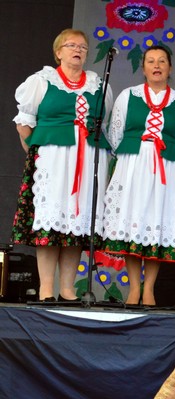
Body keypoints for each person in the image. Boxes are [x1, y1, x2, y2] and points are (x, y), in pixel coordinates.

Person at [11, 28, 112, 302]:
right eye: (71, 45)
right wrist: (38, 151)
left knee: (75, 224)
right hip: (53, 159)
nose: (78, 50)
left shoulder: (98, 85)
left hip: (87, 159)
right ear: (58, 52)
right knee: (51, 220)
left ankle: (67, 289)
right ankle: (46, 288)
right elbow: (24, 122)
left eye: (83, 47)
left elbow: (104, 123)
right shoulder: (41, 81)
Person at [100, 46, 175, 306]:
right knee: (133, 224)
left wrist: (162, 155)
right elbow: (115, 135)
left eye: (162, 61)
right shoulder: (128, 96)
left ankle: (149, 289)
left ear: (170, 68)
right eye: (151, 61)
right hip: (133, 166)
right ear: (143, 68)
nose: (157, 65)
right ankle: (133, 289)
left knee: (155, 226)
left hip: (165, 169)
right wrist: (139, 153)